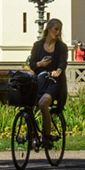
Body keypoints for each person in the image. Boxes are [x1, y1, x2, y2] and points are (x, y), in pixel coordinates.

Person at [29, 18, 68, 147]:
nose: (57, 32)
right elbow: (32, 64)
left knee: (43, 103)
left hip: (54, 82)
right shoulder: (38, 45)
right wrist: (40, 64)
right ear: (48, 29)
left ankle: (46, 136)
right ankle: (33, 134)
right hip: (40, 80)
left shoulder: (61, 47)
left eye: (59, 30)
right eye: (55, 29)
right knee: (27, 104)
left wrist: (58, 70)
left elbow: (63, 62)